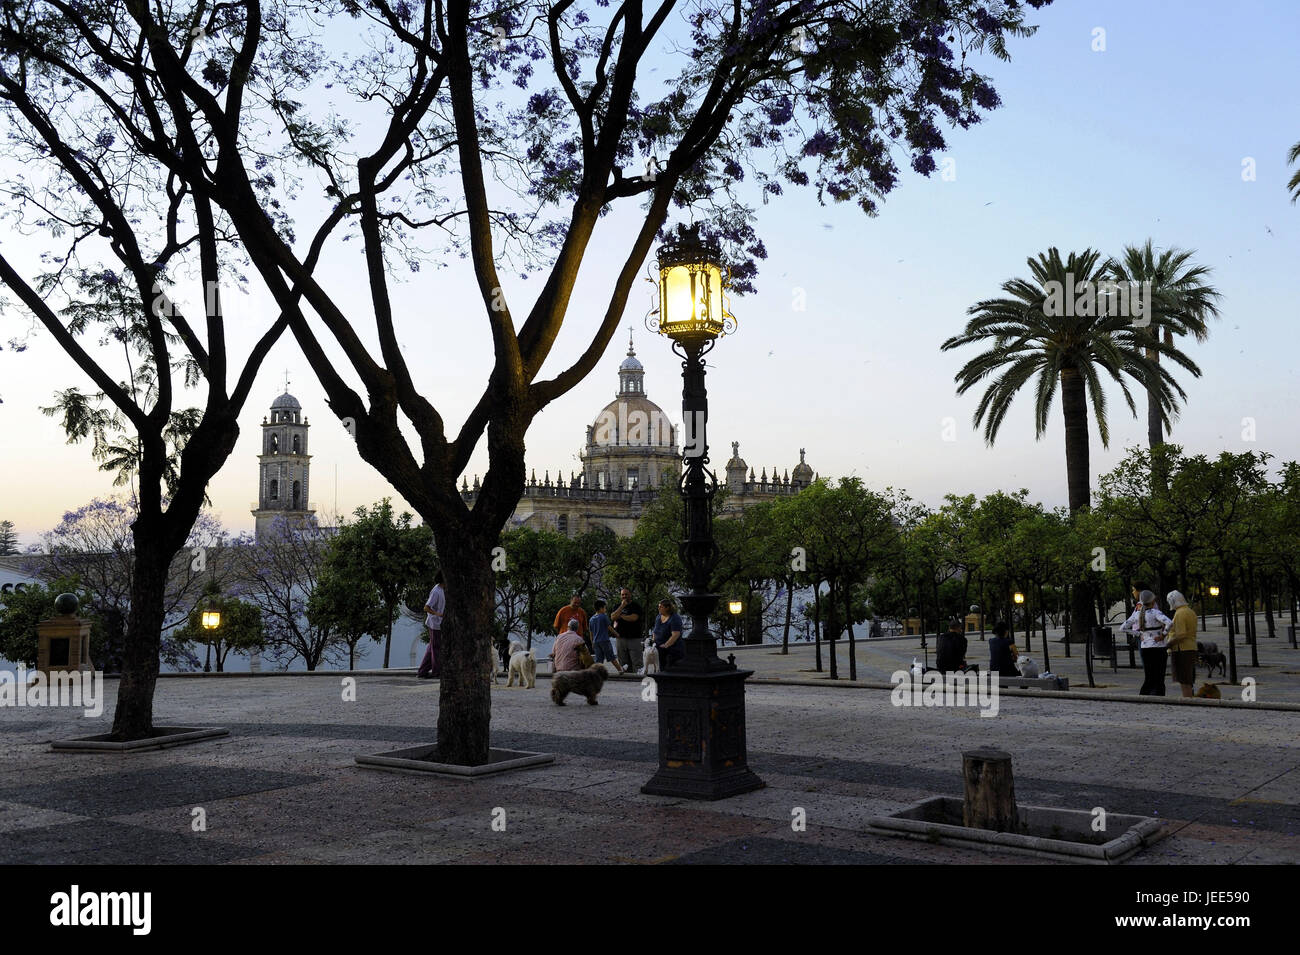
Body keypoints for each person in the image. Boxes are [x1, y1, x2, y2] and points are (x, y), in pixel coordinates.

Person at [1124, 589, 1171, 696]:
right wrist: (1163, 635)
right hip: (1159, 647)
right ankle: (1159, 696)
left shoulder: (1137, 614)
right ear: (1152, 601)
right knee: (1159, 676)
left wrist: (1138, 634)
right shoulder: (1156, 613)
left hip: (1145, 647)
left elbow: (1123, 628)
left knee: (1149, 676)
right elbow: (1169, 623)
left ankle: (1143, 696)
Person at [1164, 590, 1198, 698]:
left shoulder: (1179, 614)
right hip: (1191, 647)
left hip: (1182, 649)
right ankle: (1189, 699)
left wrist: (1168, 644)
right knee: (1188, 679)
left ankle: (1187, 700)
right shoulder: (1190, 611)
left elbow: (1181, 634)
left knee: (1184, 680)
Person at [417, 571, 445, 679]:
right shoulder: (436, 591)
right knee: (436, 648)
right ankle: (437, 672)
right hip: (435, 623)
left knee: (431, 648)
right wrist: (438, 614)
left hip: (439, 623)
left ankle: (422, 671)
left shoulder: (443, 590)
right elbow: (426, 607)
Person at [609, 587, 643, 674]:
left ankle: (638, 682)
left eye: (626, 594)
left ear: (630, 595)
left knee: (637, 663)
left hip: (634, 638)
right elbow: (613, 617)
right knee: (623, 664)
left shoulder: (636, 606)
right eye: (622, 594)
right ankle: (626, 682)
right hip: (620, 638)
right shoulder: (617, 606)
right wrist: (622, 606)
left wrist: (620, 616)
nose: (624, 596)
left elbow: (633, 618)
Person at [589, 598, 623, 674]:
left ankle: (597, 672)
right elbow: (609, 627)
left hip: (596, 642)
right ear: (601, 608)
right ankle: (620, 670)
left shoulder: (591, 619)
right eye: (605, 608)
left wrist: (592, 642)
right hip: (604, 640)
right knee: (611, 657)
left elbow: (591, 632)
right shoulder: (603, 616)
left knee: (599, 659)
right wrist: (617, 634)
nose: (605, 610)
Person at [652, 599, 684, 669]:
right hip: (658, 649)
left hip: (672, 650)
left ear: (667, 608)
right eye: (658, 607)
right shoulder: (658, 617)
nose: (658, 608)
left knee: (668, 669)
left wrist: (666, 645)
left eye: (661, 607)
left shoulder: (675, 618)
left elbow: (676, 634)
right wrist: (653, 642)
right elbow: (655, 631)